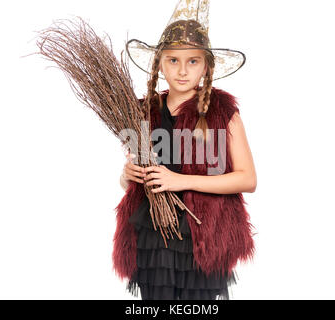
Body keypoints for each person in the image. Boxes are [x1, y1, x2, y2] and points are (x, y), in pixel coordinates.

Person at [114, 0, 257, 300]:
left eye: (193, 61)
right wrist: (128, 175)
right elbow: (130, 182)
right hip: (153, 236)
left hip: (201, 236)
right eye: (173, 60)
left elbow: (247, 179)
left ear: (206, 65)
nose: (182, 70)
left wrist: (182, 181)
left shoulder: (222, 112)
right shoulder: (143, 112)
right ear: (160, 64)